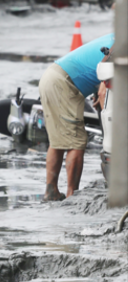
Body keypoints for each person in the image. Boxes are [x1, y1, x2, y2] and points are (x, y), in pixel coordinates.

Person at [39, 32, 114, 201]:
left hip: (52, 77)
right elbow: (104, 91)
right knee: (76, 142)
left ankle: (51, 191)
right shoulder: (119, 48)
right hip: (63, 83)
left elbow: (95, 72)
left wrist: (98, 93)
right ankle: (72, 195)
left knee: (58, 141)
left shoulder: (115, 39)